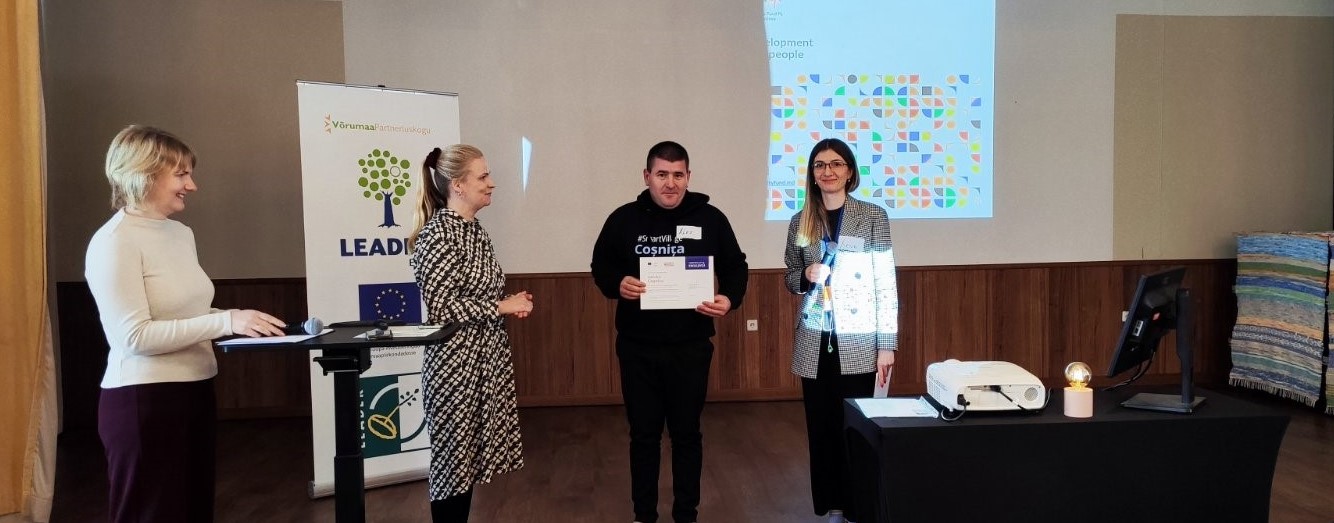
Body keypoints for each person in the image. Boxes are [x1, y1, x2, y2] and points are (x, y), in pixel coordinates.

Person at [86, 125, 288, 522]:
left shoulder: (180, 234)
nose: (191, 186)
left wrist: (237, 322)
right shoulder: (114, 241)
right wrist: (225, 321)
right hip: (144, 403)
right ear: (143, 174)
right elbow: (134, 337)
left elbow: (183, 315)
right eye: (181, 174)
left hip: (194, 391)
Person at [591, 140, 749, 523]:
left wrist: (729, 298)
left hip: (691, 347)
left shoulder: (710, 218)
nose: (670, 183)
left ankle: (686, 514)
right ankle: (643, 515)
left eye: (678, 175)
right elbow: (601, 266)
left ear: (689, 177)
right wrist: (617, 283)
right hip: (637, 348)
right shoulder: (623, 219)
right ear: (647, 176)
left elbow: (736, 265)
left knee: (687, 435)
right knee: (643, 436)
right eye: (662, 174)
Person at [407, 144, 533, 523]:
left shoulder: (475, 230)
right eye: (483, 176)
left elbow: (475, 294)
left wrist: (506, 301)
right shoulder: (438, 234)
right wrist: (500, 307)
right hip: (455, 368)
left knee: (468, 464)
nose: (491, 183)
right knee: (452, 468)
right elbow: (442, 308)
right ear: (458, 185)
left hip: (484, 361)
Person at [783, 138, 898, 523]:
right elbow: (790, 277)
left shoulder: (873, 216)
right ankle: (833, 506)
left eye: (835, 164)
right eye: (819, 165)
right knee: (822, 430)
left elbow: (885, 283)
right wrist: (805, 273)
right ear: (812, 174)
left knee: (858, 430)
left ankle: (859, 507)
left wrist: (887, 345)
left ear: (849, 171)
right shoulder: (801, 221)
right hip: (815, 341)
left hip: (861, 341)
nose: (827, 171)